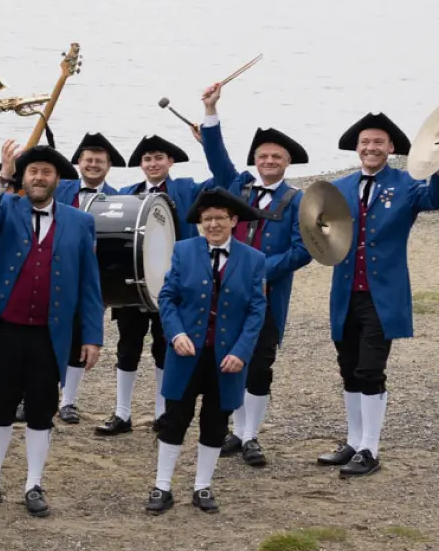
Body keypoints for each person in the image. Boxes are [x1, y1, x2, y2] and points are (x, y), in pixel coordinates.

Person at [0, 144, 104, 517]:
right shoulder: (5, 206)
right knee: (0, 405)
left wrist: (92, 336)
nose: (39, 178)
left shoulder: (80, 221)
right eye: (33, 172)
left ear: (58, 179)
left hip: (50, 333)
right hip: (6, 328)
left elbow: (90, 284)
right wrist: (2, 176)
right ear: (23, 179)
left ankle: (33, 484)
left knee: (42, 409)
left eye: (46, 172)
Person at [319, 112, 439, 478]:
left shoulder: (408, 182)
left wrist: (438, 167)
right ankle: (353, 440)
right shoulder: (340, 187)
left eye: (378, 142)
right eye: (365, 143)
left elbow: (437, 199)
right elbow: (319, 230)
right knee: (348, 370)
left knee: (370, 369)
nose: (371, 148)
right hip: (345, 293)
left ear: (391, 148)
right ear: (357, 148)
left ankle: (370, 449)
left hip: (383, 296)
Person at [196, 84, 313, 467]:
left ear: (287, 162)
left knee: (260, 364)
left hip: (267, 294)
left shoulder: (298, 201)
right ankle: (234, 430)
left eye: (276, 156)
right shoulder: (239, 186)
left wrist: (260, 270)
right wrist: (210, 110)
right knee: (231, 359)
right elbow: (217, 158)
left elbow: (303, 250)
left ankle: (250, 436)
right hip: (227, 292)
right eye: (263, 156)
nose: (268, 161)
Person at [147, 190, 268, 514]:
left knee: (215, 423)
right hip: (186, 354)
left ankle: (202, 487)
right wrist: (176, 334)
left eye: (220, 218)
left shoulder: (254, 259)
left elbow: (257, 311)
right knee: (175, 420)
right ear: (200, 223)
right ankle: (162, 487)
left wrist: (242, 352)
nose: (213, 224)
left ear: (233, 221)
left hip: (227, 359)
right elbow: (168, 298)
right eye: (207, 219)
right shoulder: (184, 251)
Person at [94, 135, 202, 437]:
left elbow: (220, 182)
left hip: (173, 286)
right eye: (147, 159)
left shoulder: (186, 189)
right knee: (127, 348)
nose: (153, 164)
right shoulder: (128, 194)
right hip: (133, 283)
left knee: (164, 348)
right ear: (141, 165)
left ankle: (161, 413)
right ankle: (122, 413)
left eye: (158, 158)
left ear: (170, 162)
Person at [51, 133, 125, 425]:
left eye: (99, 161)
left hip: (91, 276)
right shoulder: (59, 187)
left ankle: (68, 401)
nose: (93, 165)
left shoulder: (121, 199)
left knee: (80, 337)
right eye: (88, 160)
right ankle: (30, 396)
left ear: (109, 166)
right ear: (78, 162)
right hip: (53, 270)